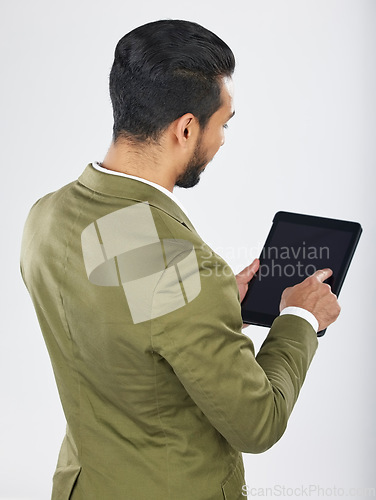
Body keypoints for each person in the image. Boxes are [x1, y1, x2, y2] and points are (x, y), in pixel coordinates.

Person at [20, 19, 340, 500]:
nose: (224, 139)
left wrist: (210, 304)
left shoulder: (45, 216)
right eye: (223, 123)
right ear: (186, 128)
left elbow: (116, 321)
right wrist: (299, 318)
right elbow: (259, 424)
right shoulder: (183, 270)